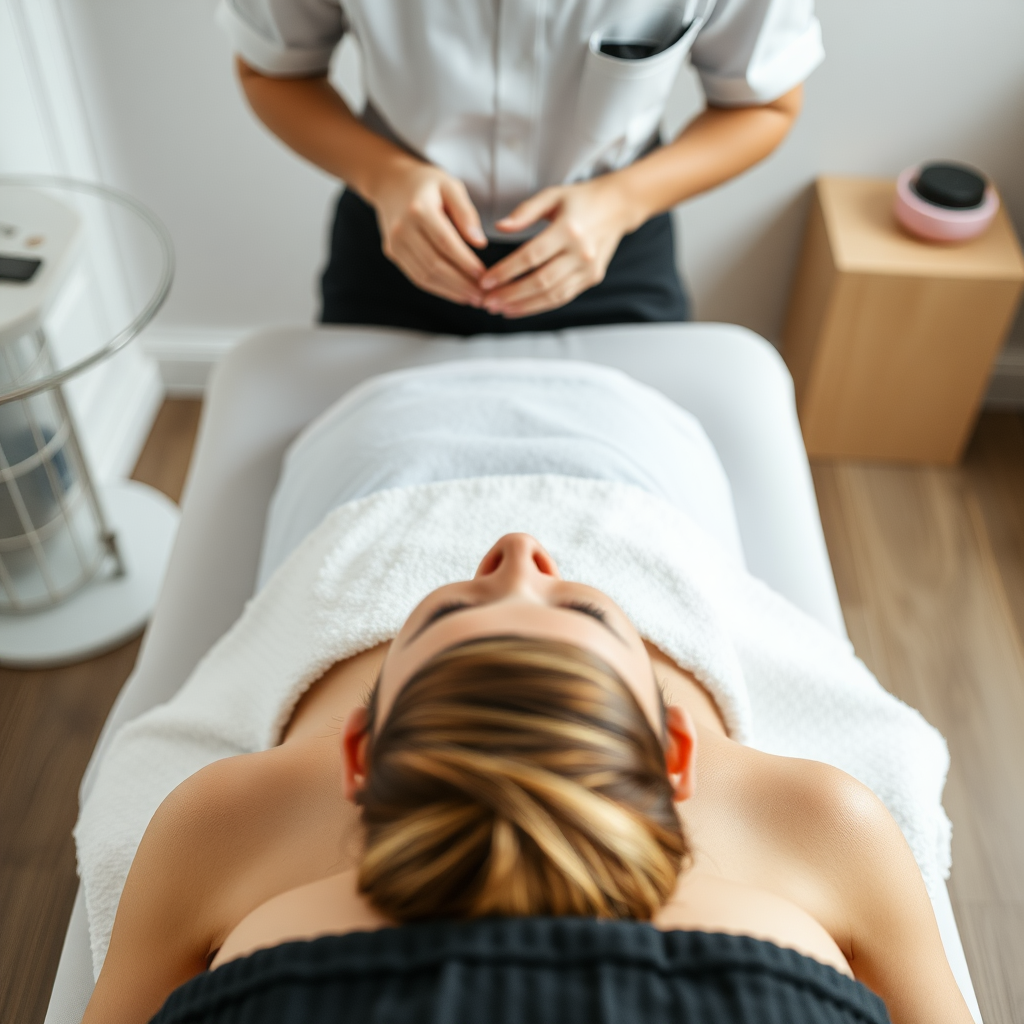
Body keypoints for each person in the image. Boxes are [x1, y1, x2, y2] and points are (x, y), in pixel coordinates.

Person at [83, 530, 972, 1024]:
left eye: (441, 616)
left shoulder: (223, 818)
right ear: (677, 753)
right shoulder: (824, 820)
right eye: (581, 606)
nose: (517, 552)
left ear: (357, 756)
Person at [217, 0, 821, 334]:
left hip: (614, 259)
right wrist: (386, 176)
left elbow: (763, 102)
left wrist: (622, 200)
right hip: (396, 246)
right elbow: (272, 68)